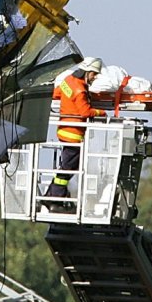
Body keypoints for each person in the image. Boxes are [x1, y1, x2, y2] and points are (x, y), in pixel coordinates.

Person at [44, 57, 107, 209]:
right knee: (68, 169)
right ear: (87, 72)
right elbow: (85, 112)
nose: (95, 77)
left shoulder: (68, 81)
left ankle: (49, 196)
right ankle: (55, 199)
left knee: (67, 166)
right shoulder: (80, 90)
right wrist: (101, 112)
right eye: (94, 74)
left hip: (64, 132)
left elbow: (56, 94)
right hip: (73, 135)